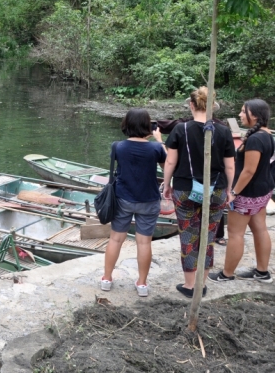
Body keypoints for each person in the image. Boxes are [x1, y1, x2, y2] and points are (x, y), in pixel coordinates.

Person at [162, 87, 235, 298]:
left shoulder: (180, 129)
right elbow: (230, 166)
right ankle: (202, 284)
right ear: (213, 106)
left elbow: (170, 161)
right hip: (217, 189)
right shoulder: (223, 131)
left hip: (185, 189)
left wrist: (167, 184)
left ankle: (189, 285)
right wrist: (230, 189)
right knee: (208, 235)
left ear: (191, 105)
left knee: (188, 235)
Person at [101, 108, 166, 297]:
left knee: (116, 239)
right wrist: (160, 141)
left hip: (122, 198)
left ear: (126, 124)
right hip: (149, 199)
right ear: (147, 126)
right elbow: (167, 165)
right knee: (144, 243)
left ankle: (106, 278)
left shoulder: (118, 147)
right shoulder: (155, 148)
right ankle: (142, 284)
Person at [209, 99, 274, 283]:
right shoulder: (267, 134)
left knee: (236, 234)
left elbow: (249, 171)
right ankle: (262, 272)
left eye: (243, 112)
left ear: (254, 115)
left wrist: (234, 192)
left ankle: (226, 274)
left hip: (247, 194)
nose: (239, 115)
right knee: (260, 229)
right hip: (263, 191)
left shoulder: (254, 140)